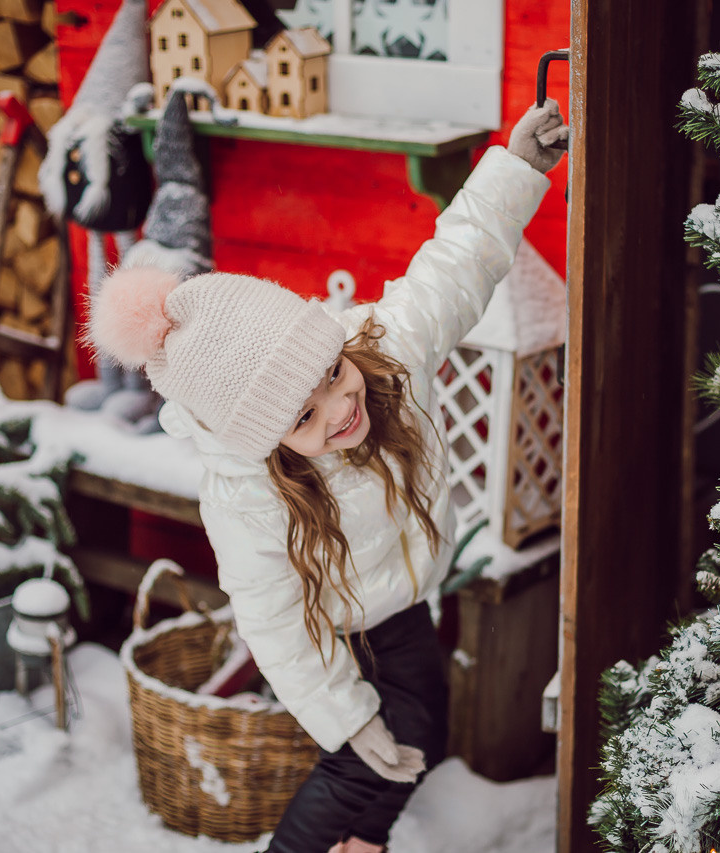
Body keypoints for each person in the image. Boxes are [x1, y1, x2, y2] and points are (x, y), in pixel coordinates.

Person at [86, 99, 568, 852]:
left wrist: (515, 168)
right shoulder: (249, 496)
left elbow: (454, 265)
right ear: (263, 439)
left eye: (333, 373)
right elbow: (274, 621)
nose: (341, 408)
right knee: (366, 754)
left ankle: (361, 842)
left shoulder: (383, 351)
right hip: (332, 623)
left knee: (417, 733)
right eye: (303, 417)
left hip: (399, 591)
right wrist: (348, 715)